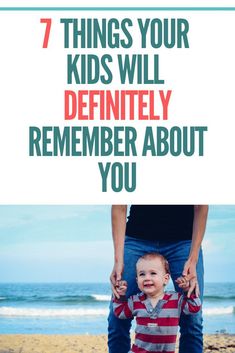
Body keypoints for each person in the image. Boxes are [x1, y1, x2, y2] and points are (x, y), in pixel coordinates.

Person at [108, 205, 208, 353]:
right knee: (117, 320)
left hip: (184, 240)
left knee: (193, 320)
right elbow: (119, 206)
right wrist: (118, 260)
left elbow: (201, 206)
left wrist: (193, 260)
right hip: (137, 238)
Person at [113, 253, 201, 353]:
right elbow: (120, 313)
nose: (147, 278)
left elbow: (194, 307)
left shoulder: (176, 300)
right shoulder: (135, 300)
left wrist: (187, 290)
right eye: (142, 274)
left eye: (153, 273)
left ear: (166, 279)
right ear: (137, 280)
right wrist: (121, 296)